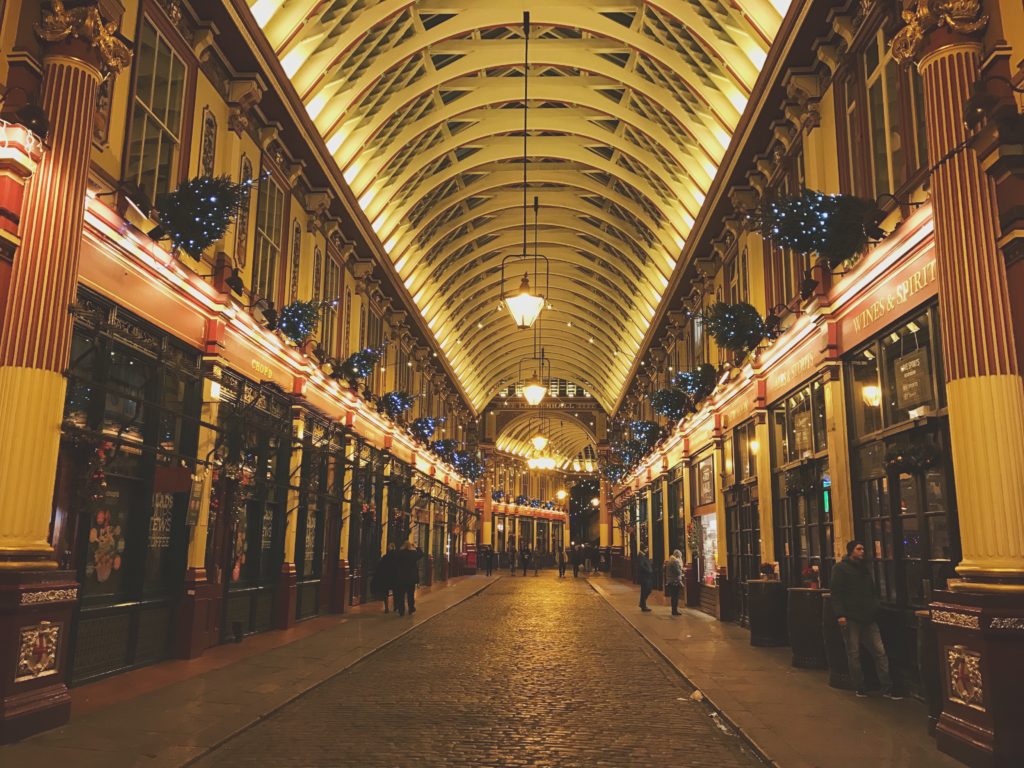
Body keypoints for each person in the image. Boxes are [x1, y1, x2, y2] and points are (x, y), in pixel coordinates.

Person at [831, 540, 902, 699]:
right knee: (854, 654)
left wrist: (874, 606)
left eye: (863, 549)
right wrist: (840, 615)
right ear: (851, 551)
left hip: (868, 617)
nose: (862, 551)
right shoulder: (840, 569)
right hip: (851, 617)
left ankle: (887, 687)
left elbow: (871, 590)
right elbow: (836, 593)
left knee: (880, 652)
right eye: (859, 549)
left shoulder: (864, 570)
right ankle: (860, 686)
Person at [392, 540, 424, 617]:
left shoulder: (399, 554)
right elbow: (421, 554)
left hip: (401, 578)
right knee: (410, 595)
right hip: (411, 578)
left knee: (401, 595)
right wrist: (416, 547)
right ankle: (411, 608)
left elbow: (395, 562)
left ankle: (401, 610)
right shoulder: (413, 554)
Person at [371, 542, 397, 613]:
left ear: (390, 548)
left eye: (389, 547)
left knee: (385, 593)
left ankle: (386, 608)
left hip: (386, 576)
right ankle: (396, 606)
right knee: (396, 592)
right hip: (395, 576)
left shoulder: (386, 556)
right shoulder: (397, 556)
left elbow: (380, 566)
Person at [666, 549, 684, 616]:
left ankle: (674, 610)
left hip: (671, 581)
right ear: (678, 555)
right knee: (675, 597)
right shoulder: (675, 562)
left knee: (673, 597)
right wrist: (680, 568)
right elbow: (678, 572)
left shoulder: (670, 561)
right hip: (675, 581)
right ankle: (674, 611)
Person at [637, 546, 653, 612]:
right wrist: (648, 570)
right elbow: (641, 566)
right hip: (644, 577)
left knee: (647, 590)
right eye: (646, 549)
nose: (647, 550)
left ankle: (642, 603)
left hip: (646, 576)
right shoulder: (641, 556)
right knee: (646, 590)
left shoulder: (643, 556)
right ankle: (643, 604)